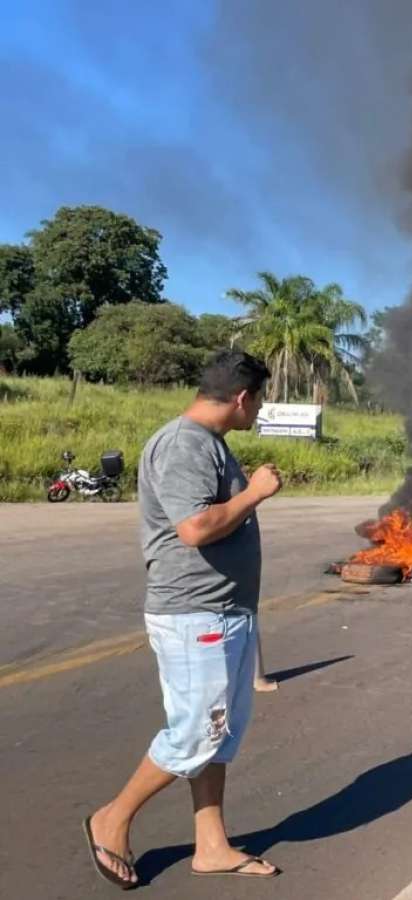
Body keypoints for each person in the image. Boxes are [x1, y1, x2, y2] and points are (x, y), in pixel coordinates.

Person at [82, 350, 283, 888]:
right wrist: (256, 492)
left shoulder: (209, 444)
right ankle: (113, 818)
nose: (258, 410)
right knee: (197, 731)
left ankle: (212, 845)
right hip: (196, 613)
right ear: (241, 398)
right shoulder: (184, 444)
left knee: (219, 733)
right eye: (258, 400)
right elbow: (194, 528)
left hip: (224, 611)